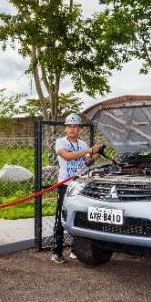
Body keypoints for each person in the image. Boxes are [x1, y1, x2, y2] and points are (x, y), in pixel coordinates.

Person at [52, 113, 101, 263]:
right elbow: (67, 156)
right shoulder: (60, 142)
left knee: (80, 216)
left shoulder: (83, 144)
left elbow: (86, 162)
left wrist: (96, 155)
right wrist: (88, 151)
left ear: (79, 128)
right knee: (61, 218)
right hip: (65, 185)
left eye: (75, 126)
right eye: (69, 126)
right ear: (65, 128)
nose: (72, 129)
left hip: (81, 185)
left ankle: (76, 249)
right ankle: (57, 252)